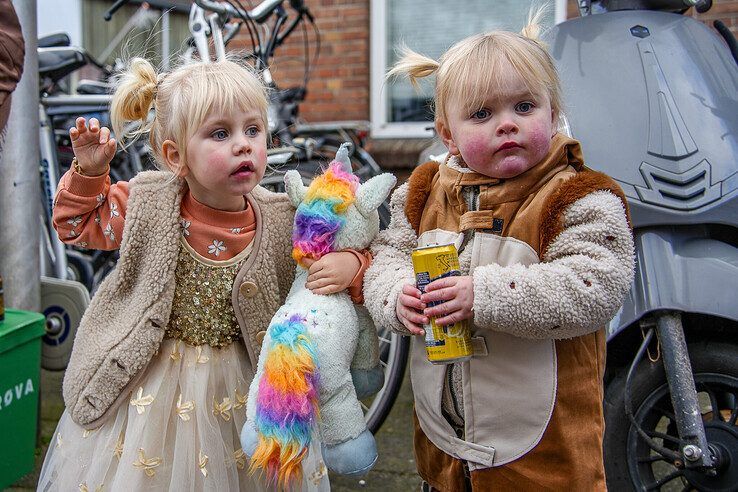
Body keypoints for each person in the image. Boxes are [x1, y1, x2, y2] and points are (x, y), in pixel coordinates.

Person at [38, 57, 370, 491]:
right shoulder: (147, 202)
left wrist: (352, 266)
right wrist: (91, 173)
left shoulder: (283, 216)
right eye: (220, 133)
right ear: (177, 155)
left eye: (253, 130)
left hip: (247, 384)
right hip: (153, 385)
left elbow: (352, 246)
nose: (243, 145)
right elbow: (75, 226)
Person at [363, 11, 635, 491]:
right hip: (445, 446)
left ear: (554, 112)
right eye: (482, 115)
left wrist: (482, 295)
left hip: (544, 460)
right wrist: (395, 294)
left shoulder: (578, 196)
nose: (506, 124)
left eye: (524, 107)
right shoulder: (424, 192)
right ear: (448, 134)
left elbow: (595, 286)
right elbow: (386, 254)